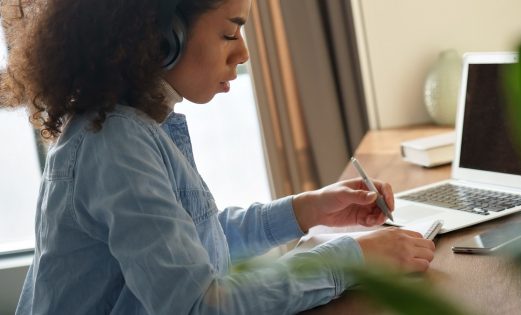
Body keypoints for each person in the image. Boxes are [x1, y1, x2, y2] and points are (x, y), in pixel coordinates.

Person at [1, 0, 435, 314]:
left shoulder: (134, 126)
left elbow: (193, 243)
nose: (243, 52)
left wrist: (308, 209)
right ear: (160, 35)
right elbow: (198, 305)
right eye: (230, 32)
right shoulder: (116, 143)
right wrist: (351, 259)